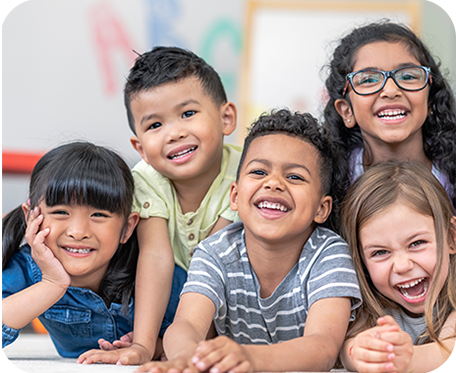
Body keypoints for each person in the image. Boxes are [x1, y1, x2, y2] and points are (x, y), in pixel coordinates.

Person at [136, 109, 362, 373]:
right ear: (235, 195)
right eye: (258, 172)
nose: (273, 183)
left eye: (295, 177)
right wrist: (189, 359)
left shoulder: (329, 255)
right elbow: (186, 325)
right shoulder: (215, 252)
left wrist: (251, 359)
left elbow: (322, 348)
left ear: (321, 209)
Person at [79, 46, 241, 365]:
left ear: (226, 117)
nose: (174, 133)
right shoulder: (145, 179)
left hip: (233, 290)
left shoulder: (246, 171)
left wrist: (187, 336)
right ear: (139, 147)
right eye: (155, 125)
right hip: (172, 294)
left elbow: (216, 261)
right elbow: (155, 257)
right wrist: (142, 343)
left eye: (188, 113)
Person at [2, 142, 141, 358]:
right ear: (31, 217)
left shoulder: (149, 269)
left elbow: (198, 328)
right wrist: (52, 283)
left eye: (99, 215)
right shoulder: (27, 267)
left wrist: (157, 345)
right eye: (60, 212)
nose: (78, 232)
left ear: (127, 227)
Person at [323, 21, 456, 220]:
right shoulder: (328, 182)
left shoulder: (451, 176)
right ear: (346, 111)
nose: (391, 90)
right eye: (368, 80)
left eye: (408, 76)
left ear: (430, 101)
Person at [339, 161, 456, 373]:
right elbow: (347, 348)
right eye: (380, 252)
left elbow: (450, 354)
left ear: (451, 238)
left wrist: (409, 360)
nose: (402, 266)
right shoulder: (371, 308)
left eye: (417, 243)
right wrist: (361, 353)